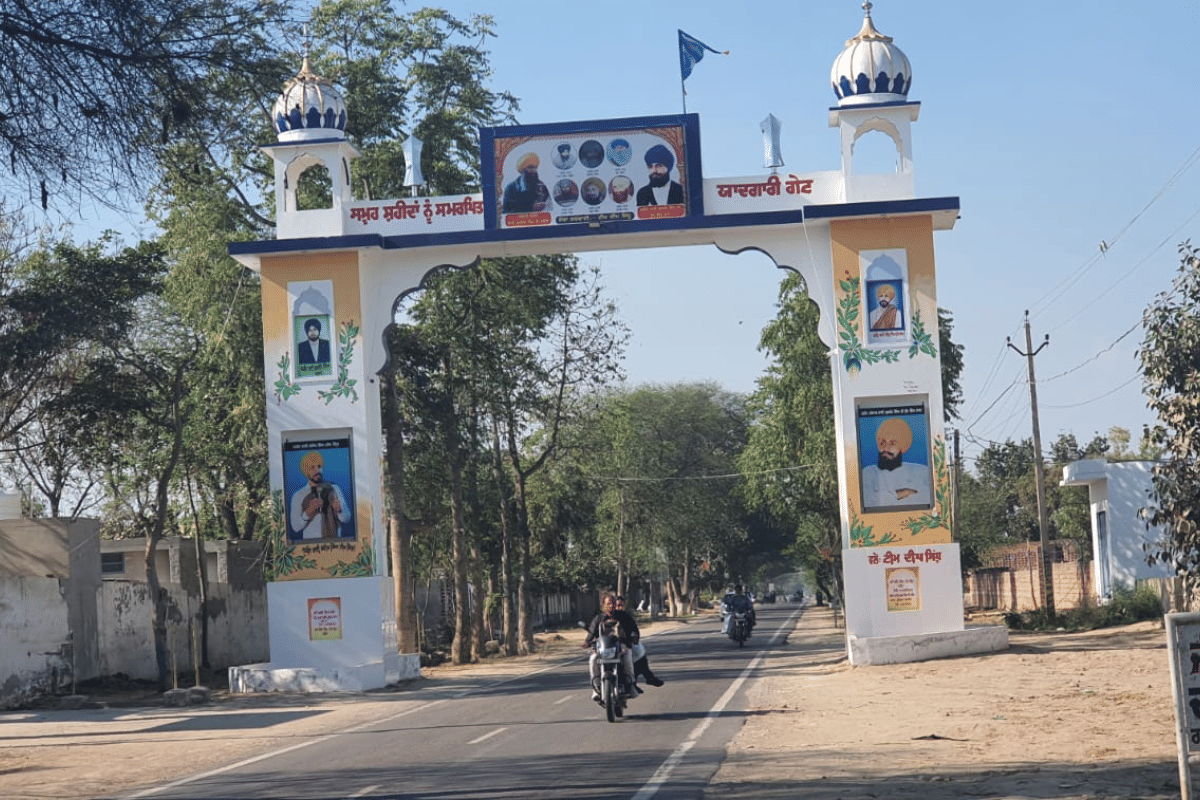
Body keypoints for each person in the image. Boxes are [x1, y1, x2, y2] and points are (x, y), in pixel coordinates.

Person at [861, 417, 931, 507]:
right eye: (882, 443)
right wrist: (901, 494)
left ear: (903, 445)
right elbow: (868, 502)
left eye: (892, 443)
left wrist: (887, 498)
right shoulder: (868, 473)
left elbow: (928, 499)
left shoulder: (921, 471)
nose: (886, 448)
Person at [584, 593, 638, 701]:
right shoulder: (599, 619)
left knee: (627, 657)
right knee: (593, 659)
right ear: (603, 605)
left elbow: (633, 630)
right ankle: (596, 686)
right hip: (603, 648)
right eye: (608, 604)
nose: (611, 606)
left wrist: (632, 638)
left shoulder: (624, 617)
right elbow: (591, 633)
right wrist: (587, 642)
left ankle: (630, 683)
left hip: (620, 646)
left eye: (613, 603)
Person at [289, 451, 351, 539]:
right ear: (306, 472)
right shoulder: (299, 495)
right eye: (312, 467)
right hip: (311, 548)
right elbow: (295, 527)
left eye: (319, 466)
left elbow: (347, 518)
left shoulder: (334, 489)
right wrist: (308, 512)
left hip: (336, 546)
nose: (317, 470)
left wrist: (339, 510)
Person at [615, 596, 664, 688]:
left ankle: (635, 681)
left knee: (639, 653)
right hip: (609, 646)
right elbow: (594, 628)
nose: (619, 607)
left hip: (625, 644)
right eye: (616, 605)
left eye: (621, 604)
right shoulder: (604, 617)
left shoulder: (625, 616)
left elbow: (634, 629)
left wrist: (634, 638)